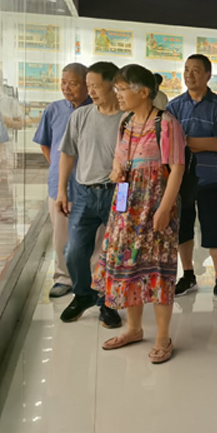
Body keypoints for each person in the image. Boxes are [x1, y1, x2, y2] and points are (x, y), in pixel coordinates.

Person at [97, 65, 186, 363]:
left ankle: (163, 338)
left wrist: (164, 209)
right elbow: (118, 159)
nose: (118, 95)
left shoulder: (166, 124)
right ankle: (134, 329)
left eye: (123, 89)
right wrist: (116, 171)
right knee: (129, 266)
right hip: (125, 209)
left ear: (143, 92)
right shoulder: (125, 122)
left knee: (159, 270)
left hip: (156, 207)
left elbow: (177, 170)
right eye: (118, 89)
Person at [57, 62, 124, 328]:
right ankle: (83, 294)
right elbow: (67, 154)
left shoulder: (127, 119)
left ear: (113, 85)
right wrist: (62, 190)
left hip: (118, 193)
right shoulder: (81, 116)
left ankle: (109, 302)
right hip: (83, 193)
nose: (91, 91)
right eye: (89, 86)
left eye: (96, 86)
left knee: (115, 251)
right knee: (74, 251)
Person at [166, 54, 217, 308]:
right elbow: (170, 145)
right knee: (183, 229)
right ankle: (188, 275)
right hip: (181, 180)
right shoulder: (174, 106)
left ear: (208, 75)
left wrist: (184, 141)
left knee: (215, 230)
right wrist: (197, 143)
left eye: (196, 70)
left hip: (210, 178)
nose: (189, 74)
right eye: (186, 69)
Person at [33, 63, 90, 298]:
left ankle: (92, 281)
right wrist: (59, 168)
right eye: (63, 82)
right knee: (61, 235)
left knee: (94, 236)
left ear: (87, 84)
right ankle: (63, 278)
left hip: (90, 185)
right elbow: (45, 144)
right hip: (61, 185)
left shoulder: (97, 110)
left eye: (73, 83)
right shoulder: (54, 110)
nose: (66, 88)